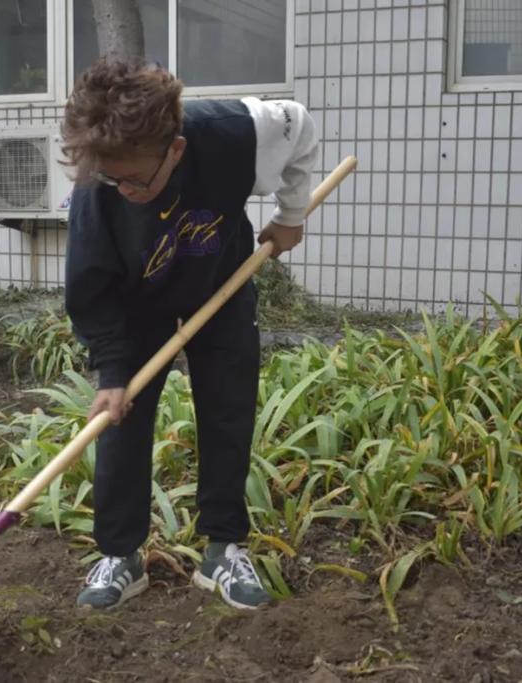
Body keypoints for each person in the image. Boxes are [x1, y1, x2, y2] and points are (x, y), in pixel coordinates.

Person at [61, 57, 319, 611]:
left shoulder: (235, 131)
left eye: (134, 179)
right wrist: (112, 372)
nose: (122, 189)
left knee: (228, 411)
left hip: (222, 284)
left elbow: (300, 125)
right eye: (111, 178)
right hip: (134, 305)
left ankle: (223, 549)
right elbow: (90, 289)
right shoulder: (96, 188)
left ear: (175, 149)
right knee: (120, 420)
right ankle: (120, 555)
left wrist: (291, 213)